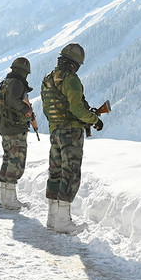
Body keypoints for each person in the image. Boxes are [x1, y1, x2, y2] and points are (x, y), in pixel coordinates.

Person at [41, 42, 102, 233]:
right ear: (75, 63)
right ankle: (63, 221)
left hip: (55, 130)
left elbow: (46, 108)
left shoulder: (48, 78)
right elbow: (76, 108)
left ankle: (52, 218)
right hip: (71, 133)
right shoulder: (72, 80)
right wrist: (94, 119)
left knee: (56, 171)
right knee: (70, 173)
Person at [0, 57, 37, 210]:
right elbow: (14, 100)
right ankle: (10, 200)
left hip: (6, 127)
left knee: (8, 160)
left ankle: (5, 198)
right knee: (15, 162)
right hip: (15, 128)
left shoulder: (6, 82)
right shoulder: (17, 83)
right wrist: (27, 111)